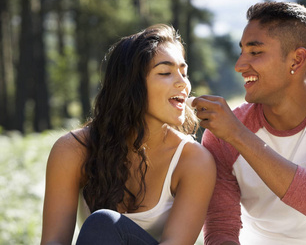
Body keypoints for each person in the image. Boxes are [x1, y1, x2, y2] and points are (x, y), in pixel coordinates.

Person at [191, 2, 306, 245]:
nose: (239, 65)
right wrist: (232, 132)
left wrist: (237, 133)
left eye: (255, 52)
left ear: (296, 61)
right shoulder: (221, 135)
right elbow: (221, 229)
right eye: (242, 52)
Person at [41, 24, 216, 245]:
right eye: (165, 72)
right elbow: (53, 241)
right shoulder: (73, 150)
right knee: (103, 224)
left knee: (103, 223)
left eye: (184, 72)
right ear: (130, 85)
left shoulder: (194, 160)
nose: (183, 83)